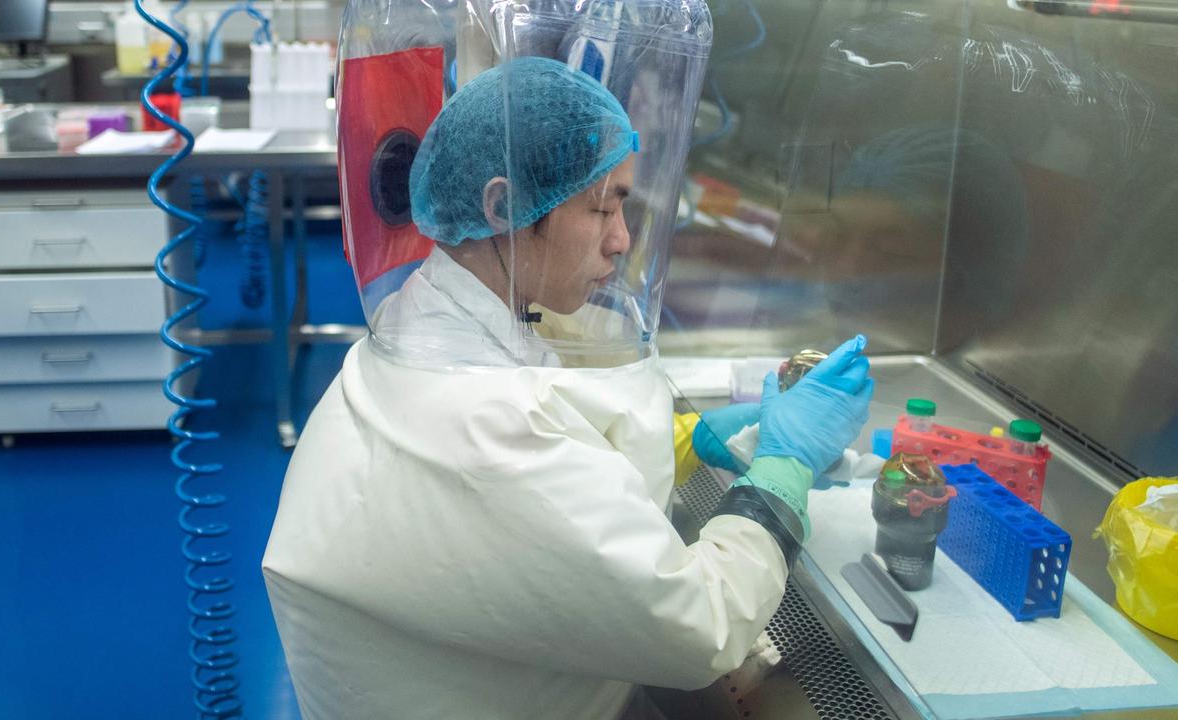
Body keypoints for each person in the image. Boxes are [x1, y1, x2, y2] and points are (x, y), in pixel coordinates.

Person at [263, 56, 873, 720]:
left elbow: (536, 483)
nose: (621, 241)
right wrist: (785, 469)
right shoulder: (490, 427)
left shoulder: (435, 317)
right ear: (503, 206)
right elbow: (703, 626)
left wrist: (686, 441)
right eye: (600, 207)